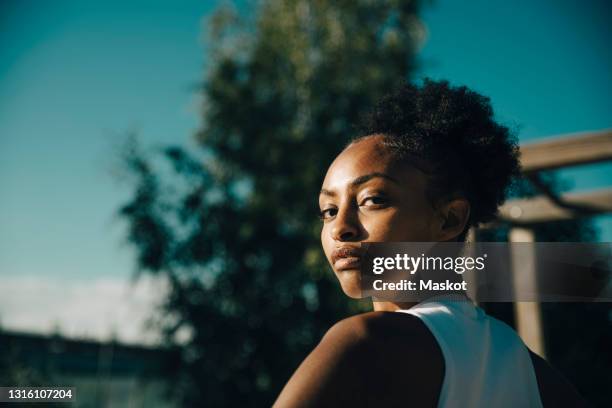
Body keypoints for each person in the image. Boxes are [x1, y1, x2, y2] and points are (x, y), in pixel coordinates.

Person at [273, 80, 587, 407]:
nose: (340, 227)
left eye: (373, 199)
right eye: (328, 210)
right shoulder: (541, 377)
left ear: (449, 219)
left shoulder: (364, 343)